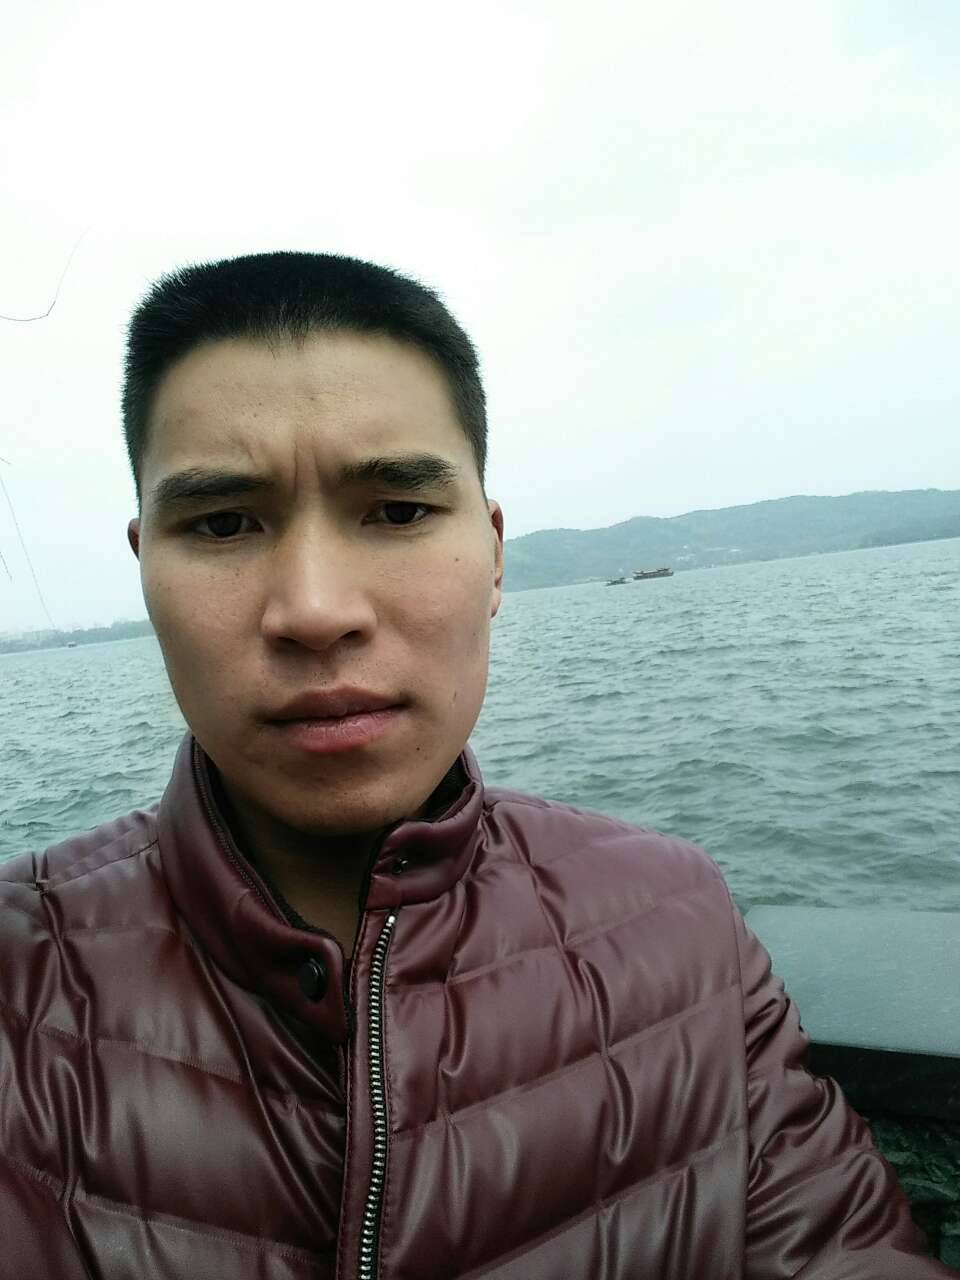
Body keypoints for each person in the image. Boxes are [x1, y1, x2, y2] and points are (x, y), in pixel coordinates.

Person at [0, 251, 950, 1280]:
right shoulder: (20, 982)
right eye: (223, 523)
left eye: (398, 511)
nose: (316, 609)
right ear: (145, 562)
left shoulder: (679, 924)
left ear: (494, 555)